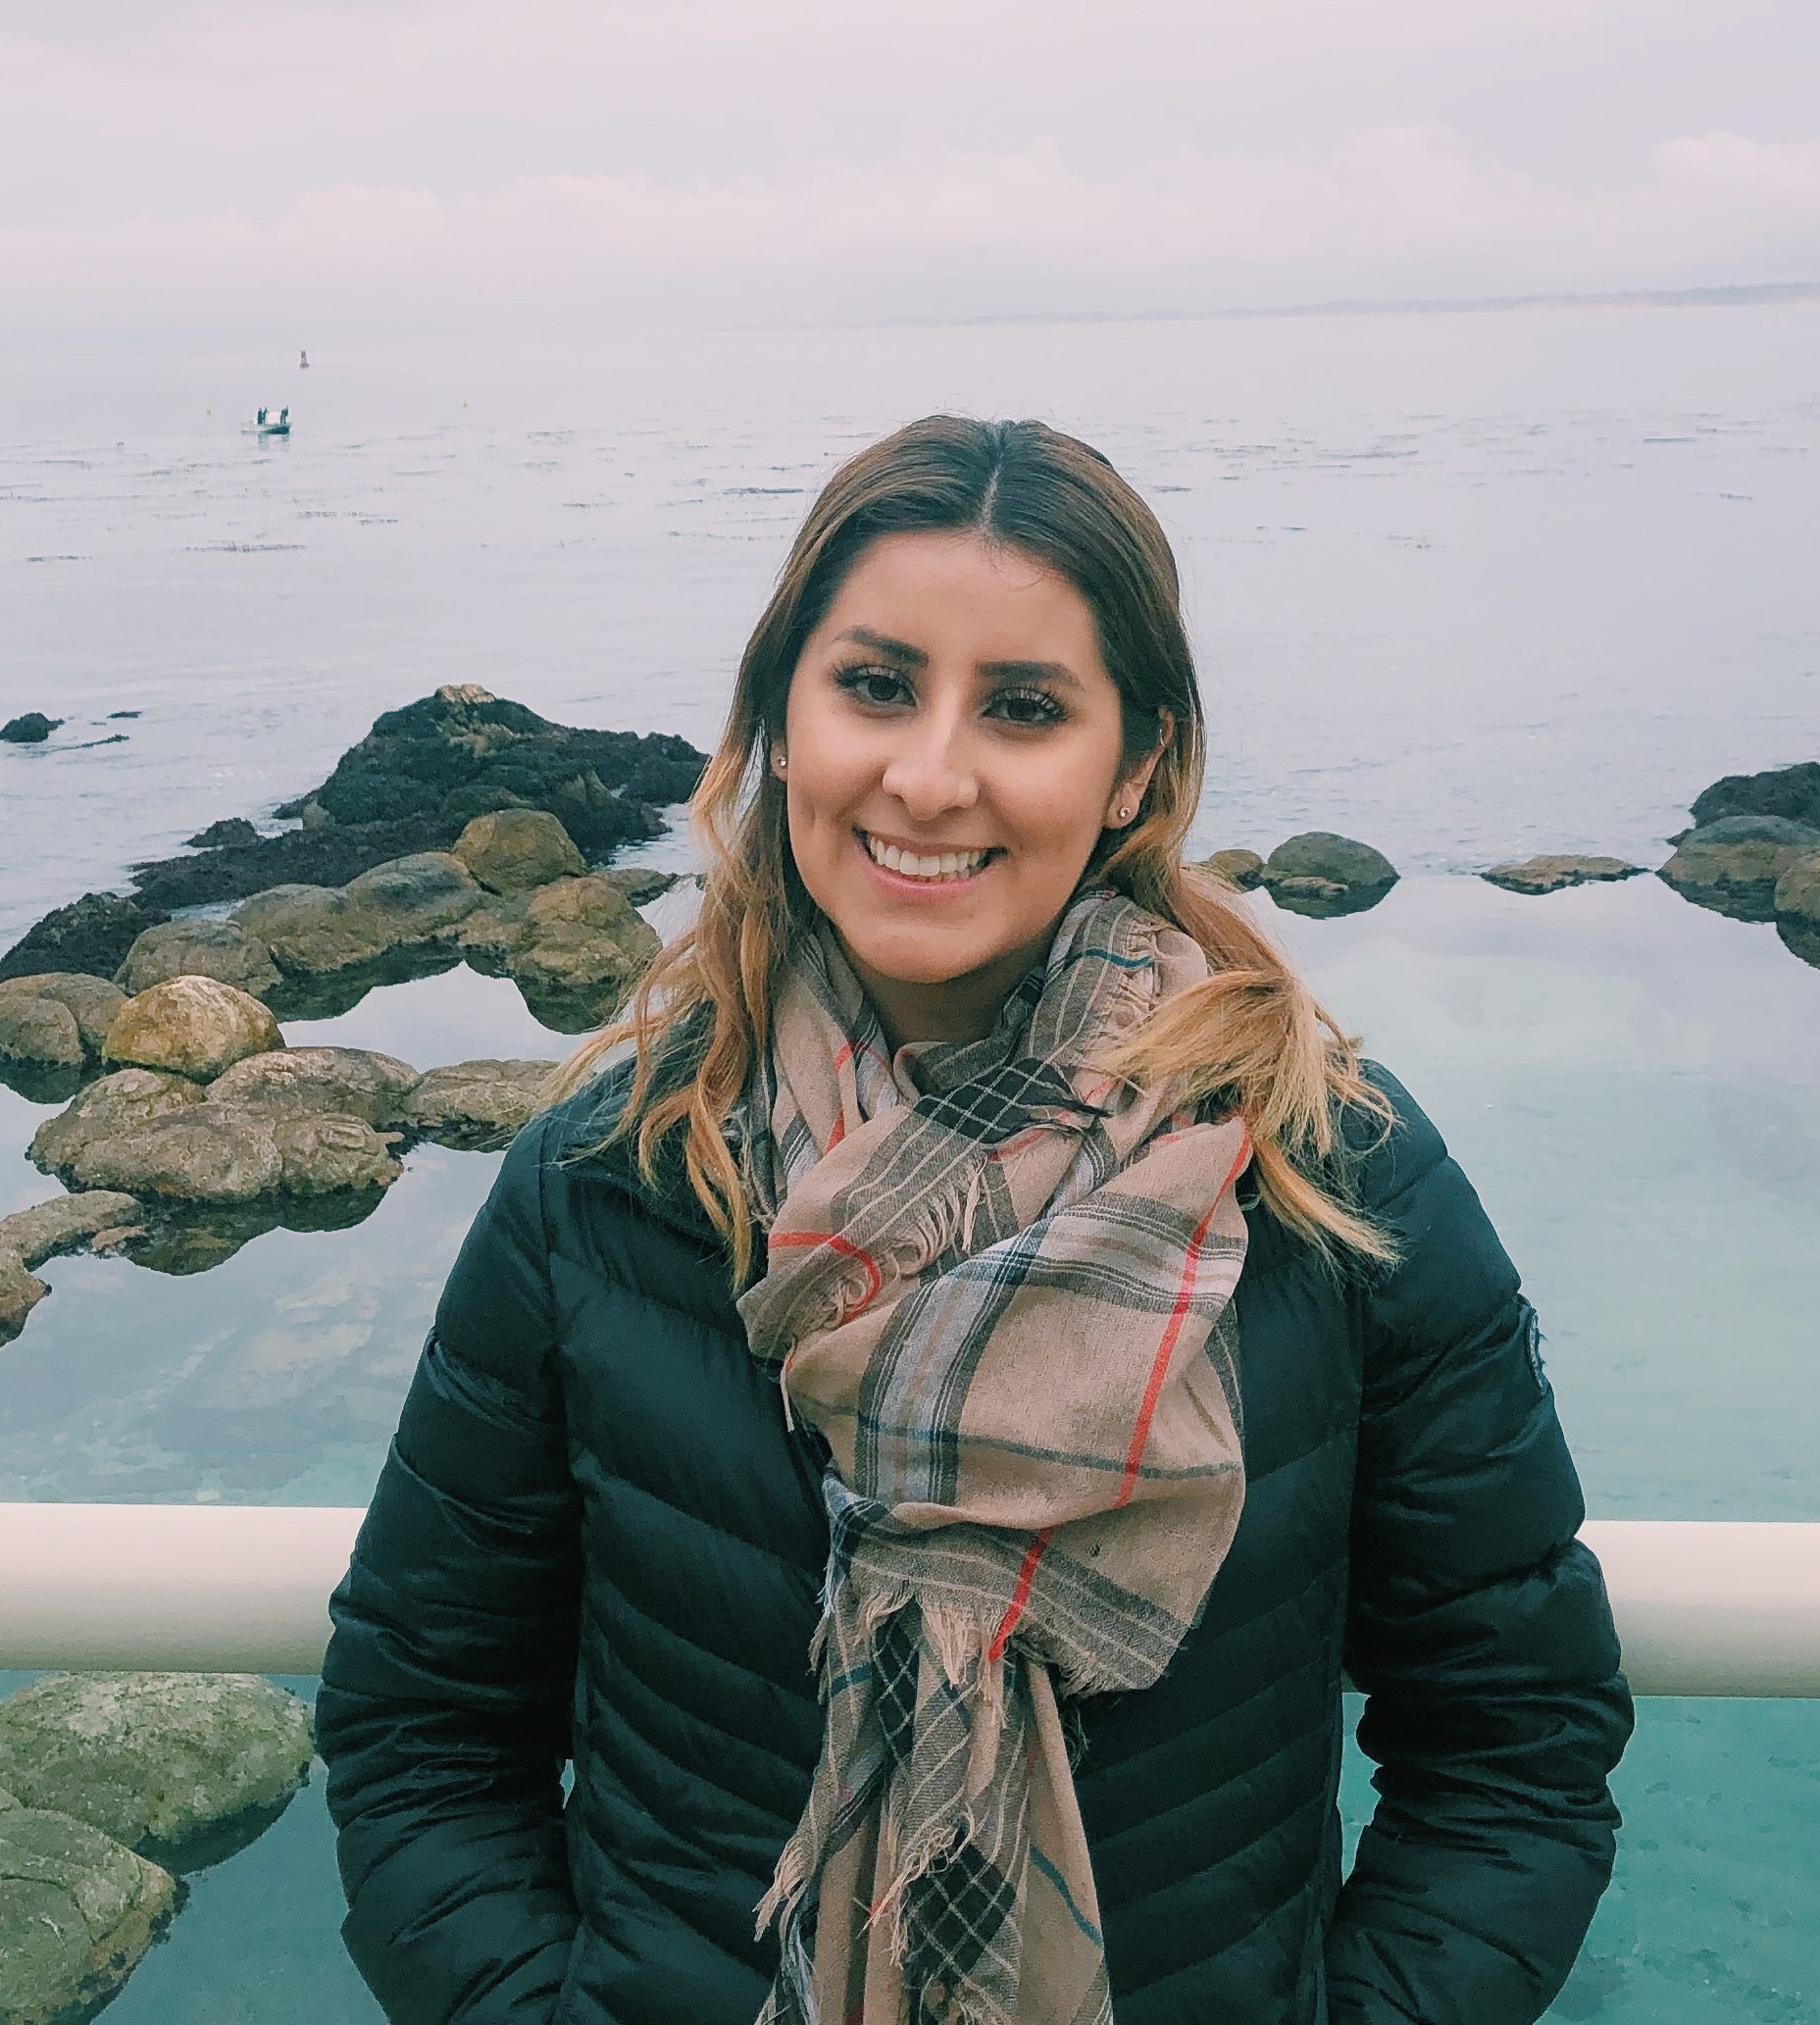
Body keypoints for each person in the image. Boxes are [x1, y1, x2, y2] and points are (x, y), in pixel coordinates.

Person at [318, 415, 1633, 2025]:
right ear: (780, 722)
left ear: (1134, 763)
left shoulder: (1323, 1176)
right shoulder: (612, 1177)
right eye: (875, 685)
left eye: (1021, 707)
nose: (929, 776)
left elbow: (1513, 1742)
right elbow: (422, 1728)